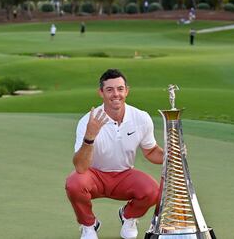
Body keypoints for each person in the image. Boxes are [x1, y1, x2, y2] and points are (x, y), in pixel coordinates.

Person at [65, 69, 164, 239]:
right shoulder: (88, 121)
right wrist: (90, 137)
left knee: (152, 191)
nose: (115, 94)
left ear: (127, 91)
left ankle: (128, 216)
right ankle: (89, 225)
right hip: (94, 175)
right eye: (109, 90)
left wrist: (173, 154)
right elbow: (81, 167)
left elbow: (151, 151)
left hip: (124, 175)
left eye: (120, 89)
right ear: (101, 93)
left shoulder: (141, 117)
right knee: (74, 183)